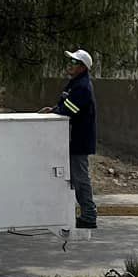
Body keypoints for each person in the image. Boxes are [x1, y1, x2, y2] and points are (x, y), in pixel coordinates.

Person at [55, 48, 98, 228]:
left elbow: (68, 111)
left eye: (74, 62)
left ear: (82, 67)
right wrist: (54, 110)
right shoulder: (75, 84)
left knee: (80, 178)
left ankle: (89, 215)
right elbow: (64, 106)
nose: (70, 65)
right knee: (76, 178)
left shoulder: (82, 87)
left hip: (79, 141)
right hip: (74, 140)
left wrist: (56, 112)